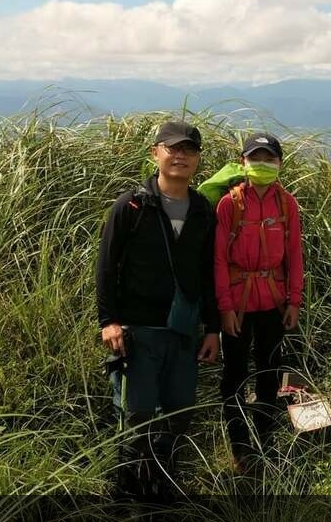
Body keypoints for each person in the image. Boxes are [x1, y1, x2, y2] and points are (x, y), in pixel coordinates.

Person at [96, 120, 220, 496]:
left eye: (189, 150)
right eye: (172, 148)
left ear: (198, 159)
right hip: (137, 330)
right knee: (137, 413)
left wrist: (212, 328)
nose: (180, 155)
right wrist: (109, 321)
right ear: (156, 153)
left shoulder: (202, 210)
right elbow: (106, 265)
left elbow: (208, 272)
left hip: (183, 332)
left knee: (180, 411)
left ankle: (163, 485)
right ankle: (127, 491)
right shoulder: (132, 205)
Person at [214, 132, 303, 472]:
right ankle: (240, 449)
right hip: (237, 304)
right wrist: (224, 308)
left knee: (269, 371)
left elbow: (295, 255)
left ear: (279, 164)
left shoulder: (286, 204)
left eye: (269, 159)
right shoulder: (229, 204)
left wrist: (294, 301)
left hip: (274, 302)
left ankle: (266, 439)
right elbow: (219, 260)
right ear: (243, 163)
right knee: (234, 375)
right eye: (255, 159)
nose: (262, 165)